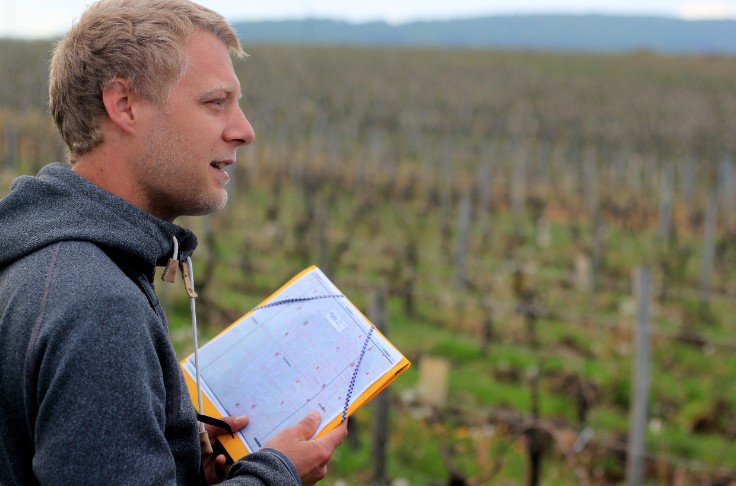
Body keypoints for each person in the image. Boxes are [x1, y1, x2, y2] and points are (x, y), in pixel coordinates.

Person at [0, 0, 347, 484]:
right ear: (123, 105)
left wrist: (178, 467)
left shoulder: (40, 258)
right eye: (215, 102)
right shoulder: (97, 306)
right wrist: (276, 473)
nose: (244, 130)